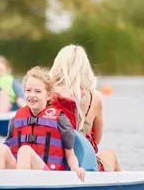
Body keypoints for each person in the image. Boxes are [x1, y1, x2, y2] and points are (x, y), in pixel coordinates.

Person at [0, 66, 87, 181]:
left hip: (47, 175)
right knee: (0, 148)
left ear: (49, 95)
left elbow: (70, 154)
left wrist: (75, 168)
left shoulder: (60, 120)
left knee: (25, 150)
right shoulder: (16, 119)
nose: (32, 95)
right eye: (28, 90)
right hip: (20, 169)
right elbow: (9, 145)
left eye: (38, 91)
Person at [50, 44, 122, 172]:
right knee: (111, 155)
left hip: (48, 158)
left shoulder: (43, 94)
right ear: (85, 69)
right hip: (81, 163)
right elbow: (97, 139)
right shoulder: (94, 98)